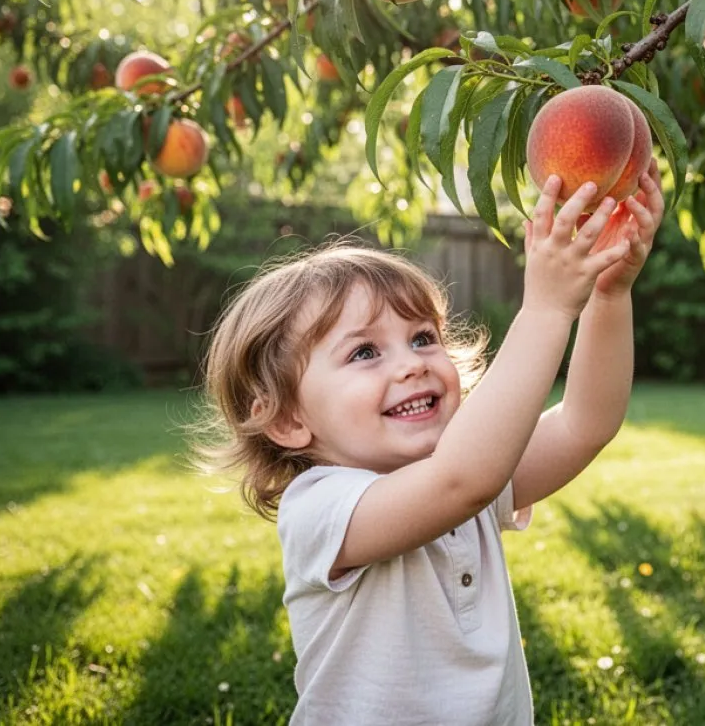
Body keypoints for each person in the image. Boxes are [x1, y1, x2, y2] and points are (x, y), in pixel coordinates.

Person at [194, 165, 664, 725]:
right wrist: (545, 310)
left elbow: (586, 424)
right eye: (364, 352)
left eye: (422, 338)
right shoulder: (320, 508)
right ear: (288, 420)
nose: (412, 364)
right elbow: (461, 482)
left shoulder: (473, 472)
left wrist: (610, 292)